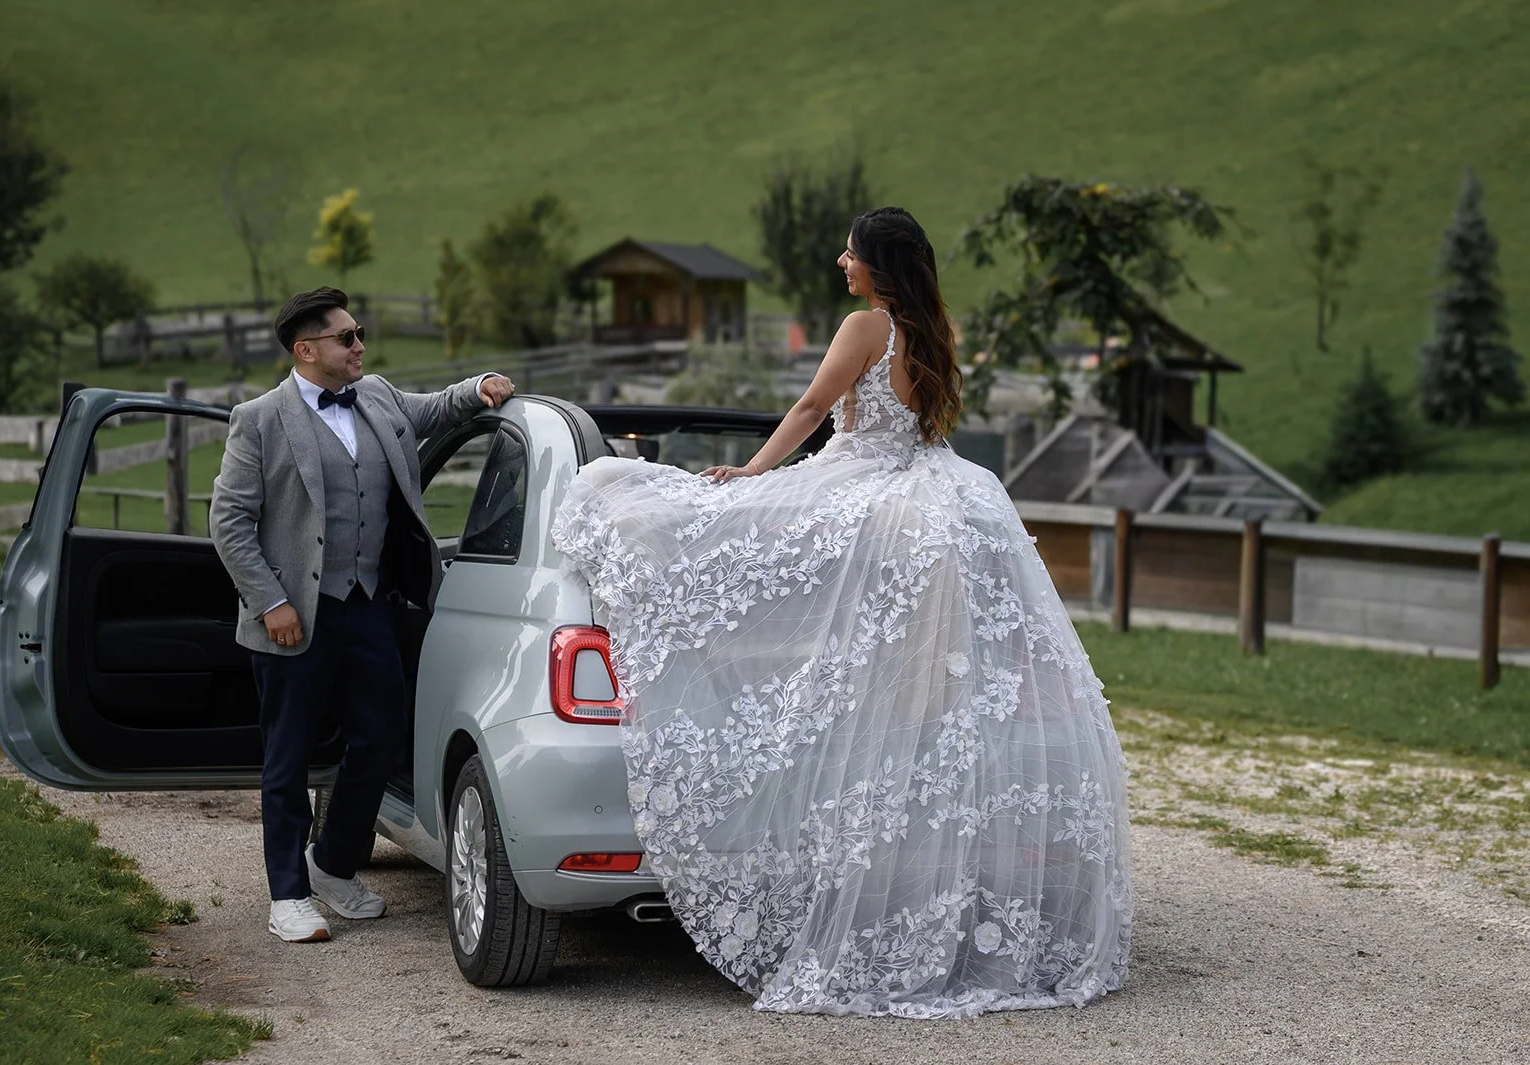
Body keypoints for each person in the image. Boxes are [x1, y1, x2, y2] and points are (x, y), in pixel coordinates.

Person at [551, 208, 1132, 1017]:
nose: (840, 261)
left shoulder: (867, 326)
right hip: (924, 483)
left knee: (635, 498)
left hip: (862, 480)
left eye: (851, 253)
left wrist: (753, 475)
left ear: (876, 265)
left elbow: (809, 410)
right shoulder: (934, 330)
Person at [210, 286, 515, 944]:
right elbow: (228, 523)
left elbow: (433, 409)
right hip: (293, 615)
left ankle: (333, 863)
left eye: (360, 333)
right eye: (347, 337)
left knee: (381, 738)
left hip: (368, 605)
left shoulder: (374, 395)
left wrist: (481, 385)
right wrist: (272, 602)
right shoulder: (259, 419)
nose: (360, 346)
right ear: (307, 349)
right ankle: (287, 894)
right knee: (287, 760)